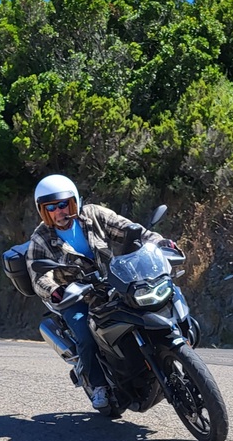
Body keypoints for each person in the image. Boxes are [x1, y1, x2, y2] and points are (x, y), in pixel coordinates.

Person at [26, 174, 175, 410]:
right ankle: (98, 385)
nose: (58, 211)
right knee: (85, 332)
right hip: (78, 295)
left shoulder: (93, 214)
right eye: (51, 208)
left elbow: (129, 230)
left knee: (151, 302)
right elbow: (38, 275)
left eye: (63, 204)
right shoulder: (41, 238)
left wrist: (158, 242)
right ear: (43, 211)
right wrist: (54, 290)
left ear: (74, 201)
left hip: (115, 280)